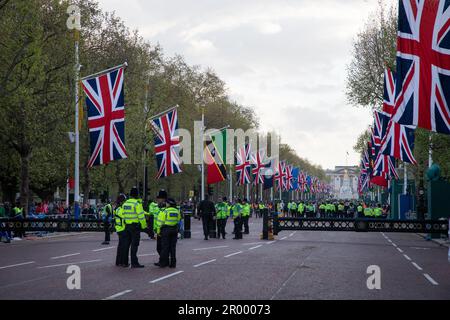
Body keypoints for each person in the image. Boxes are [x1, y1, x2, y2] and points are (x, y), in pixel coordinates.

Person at [122, 187, 147, 268]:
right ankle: (134, 263)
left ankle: (124, 262)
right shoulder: (137, 204)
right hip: (134, 227)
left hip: (127, 226)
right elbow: (141, 216)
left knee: (126, 245)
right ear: (136, 195)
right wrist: (144, 226)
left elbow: (123, 215)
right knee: (134, 245)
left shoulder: (125, 203)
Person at [155, 198, 181, 268]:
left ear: (169, 204)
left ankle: (163, 262)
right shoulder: (177, 211)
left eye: (166, 203)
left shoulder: (165, 211)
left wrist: (158, 232)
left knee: (165, 247)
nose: (165, 204)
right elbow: (178, 220)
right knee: (173, 247)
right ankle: (173, 263)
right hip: (174, 230)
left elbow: (160, 223)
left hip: (166, 230)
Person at [153, 190, 168, 262]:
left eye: (159, 198)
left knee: (162, 247)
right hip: (158, 230)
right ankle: (162, 260)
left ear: (164, 199)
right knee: (159, 247)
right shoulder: (157, 207)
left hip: (164, 229)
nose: (158, 200)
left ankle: (164, 261)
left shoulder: (167, 207)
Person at [114, 194, 127, 267]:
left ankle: (119, 261)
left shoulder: (118, 208)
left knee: (121, 245)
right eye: (124, 200)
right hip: (122, 229)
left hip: (120, 228)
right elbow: (125, 216)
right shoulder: (119, 209)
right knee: (123, 246)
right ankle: (121, 261)